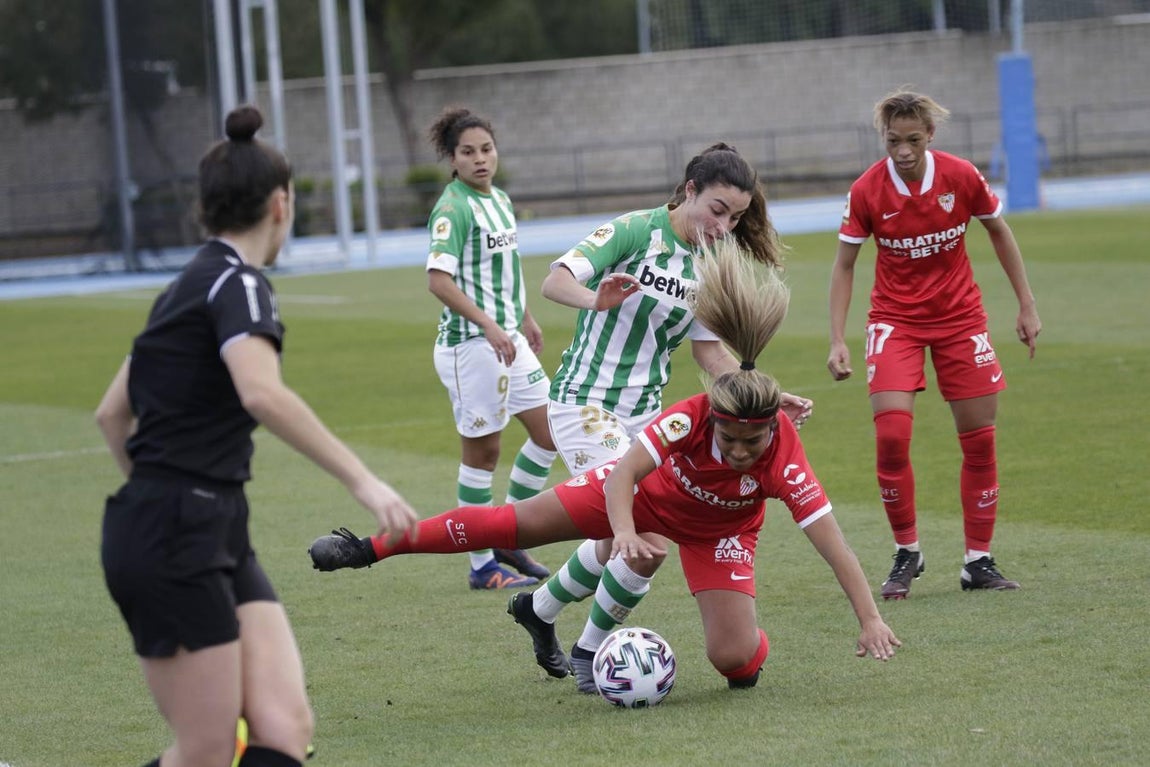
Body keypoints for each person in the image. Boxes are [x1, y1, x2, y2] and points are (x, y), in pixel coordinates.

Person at [309, 235, 900, 690]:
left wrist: (869, 618)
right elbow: (623, 474)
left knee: (735, 664)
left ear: (771, 427)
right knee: (508, 525)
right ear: (714, 417)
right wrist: (622, 531)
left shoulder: (783, 454)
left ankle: (561, 620)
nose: (744, 452)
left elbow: (833, 543)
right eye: (732, 438)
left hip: (722, 535)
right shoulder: (688, 416)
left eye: (755, 441)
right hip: (643, 500)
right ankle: (368, 548)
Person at [95, 104, 418, 767]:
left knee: (282, 726)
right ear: (280, 203)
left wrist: (160, 499)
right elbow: (261, 391)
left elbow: (111, 414)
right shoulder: (239, 283)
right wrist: (364, 480)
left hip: (204, 525)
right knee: (208, 750)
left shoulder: (187, 283)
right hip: (180, 529)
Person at [528, 142, 812, 691]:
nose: (724, 226)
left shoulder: (708, 264)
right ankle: (590, 654)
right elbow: (554, 279)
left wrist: (764, 396)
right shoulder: (636, 231)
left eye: (734, 217)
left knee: (617, 540)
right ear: (689, 191)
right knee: (646, 538)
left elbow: (709, 353)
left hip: (644, 416)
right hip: (584, 403)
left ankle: (538, 610)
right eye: (717, 209)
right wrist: (596, 301)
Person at [827, 89, 1042, 600]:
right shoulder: (866, 191)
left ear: (930, 137)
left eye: (913, 140)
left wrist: (1026, 304)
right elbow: (844, 264)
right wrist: (837, 338)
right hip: (895, 321)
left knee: (980, 440)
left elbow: (999, 233)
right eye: (893, 140)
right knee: (892, 436)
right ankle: (908, 551)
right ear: (884, 138)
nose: (902, 151)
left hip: (960, 318)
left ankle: (977, 561)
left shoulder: (961, 176)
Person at [424, 106, 558, 590]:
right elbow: (439, 282)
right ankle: (482, 566)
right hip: (470, 346)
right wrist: (489, 325)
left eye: (487, 149)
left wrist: (522, 317)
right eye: (468, 152)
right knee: (483, 455)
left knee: (550, 432)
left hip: (508, 338)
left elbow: (503, 268)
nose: (480, 159)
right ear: (453, 160)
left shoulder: (499, 199)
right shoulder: (453, 208)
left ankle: (507, 534)